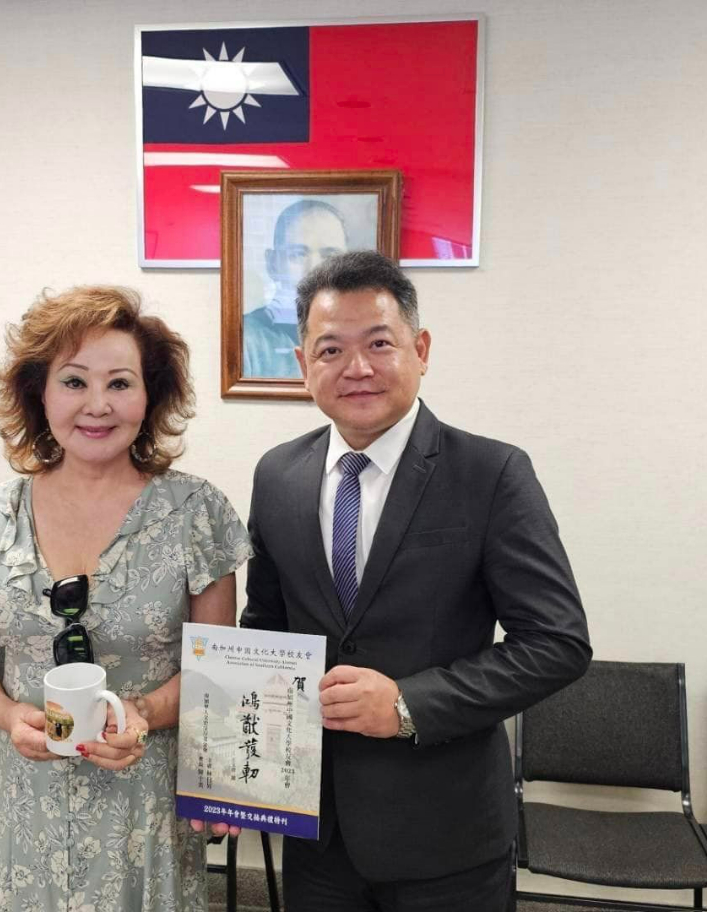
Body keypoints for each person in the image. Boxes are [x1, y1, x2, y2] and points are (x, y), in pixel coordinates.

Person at [239, 251, 591, 912]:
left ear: (420, 350)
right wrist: (238, 774)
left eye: (379, 343)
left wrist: (407, 704)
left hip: (447, 835)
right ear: (302, 364)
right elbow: (265, 631)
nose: (357, 367)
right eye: (331, 349)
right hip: (317, 831)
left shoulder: (491, 473)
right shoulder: (277, 475)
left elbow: (557, 643)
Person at [0, 285, 251, 912]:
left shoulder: (196, 513)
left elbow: (219, 669)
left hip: (145, 796)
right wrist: (9, 715)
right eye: (75, 381)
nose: (98, 405)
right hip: (22, 797)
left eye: (120, 383)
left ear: (149, 395)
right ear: (41, 393)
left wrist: (142, 713)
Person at [242, 198, 348, 379]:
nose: (313, 269)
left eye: (330, 255)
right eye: (298, 254)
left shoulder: (364, 334)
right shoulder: (246, 338)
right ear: (273, 263)